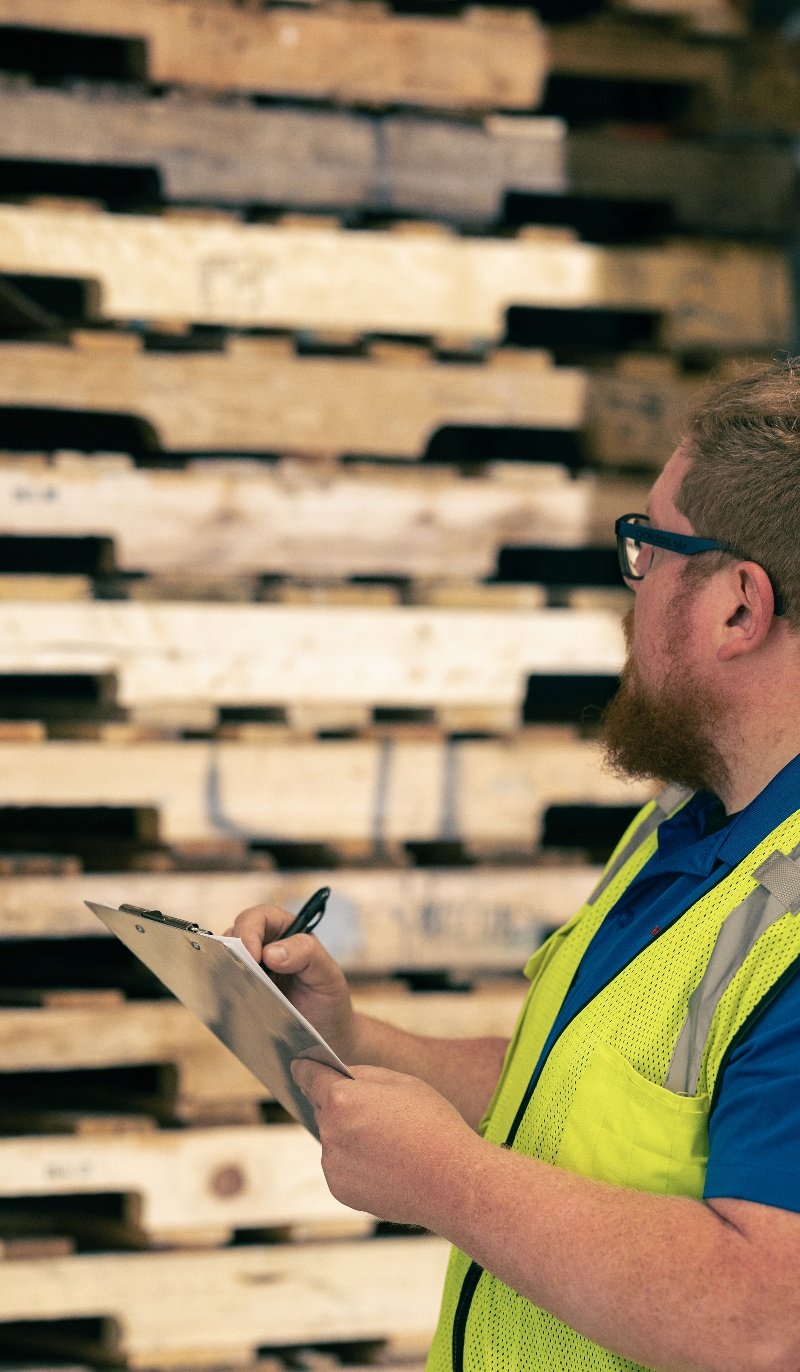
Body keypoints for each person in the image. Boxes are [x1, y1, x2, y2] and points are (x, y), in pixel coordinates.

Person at [231, 361, 800, 1372]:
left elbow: (765, 1317)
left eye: (648, 548)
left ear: (736, 608)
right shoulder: (692, 828)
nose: (631, 589)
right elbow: (576, 1093)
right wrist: (349, 1038)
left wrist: (448, 1180)